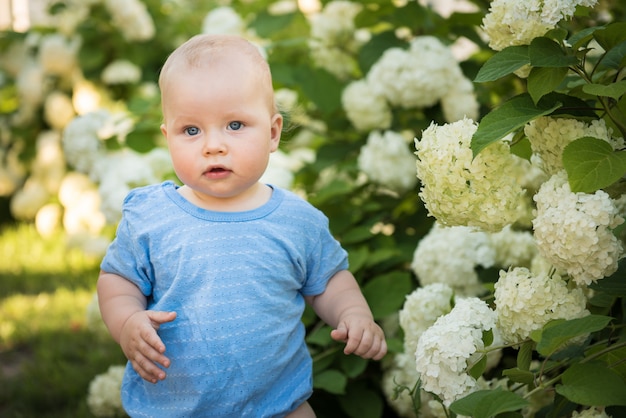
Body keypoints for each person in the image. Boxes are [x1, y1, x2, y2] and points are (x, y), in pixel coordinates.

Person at [97, 33, 387, 418]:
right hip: (177, 405)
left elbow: (329, 280)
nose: (213, 145)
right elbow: (118, 281)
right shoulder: (152, 217)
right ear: (168, 138)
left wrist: (353, 314)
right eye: (192, 130)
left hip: (279, 403)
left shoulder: (296, 221)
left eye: (235, 125)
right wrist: (128, 321)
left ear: (272, 133)